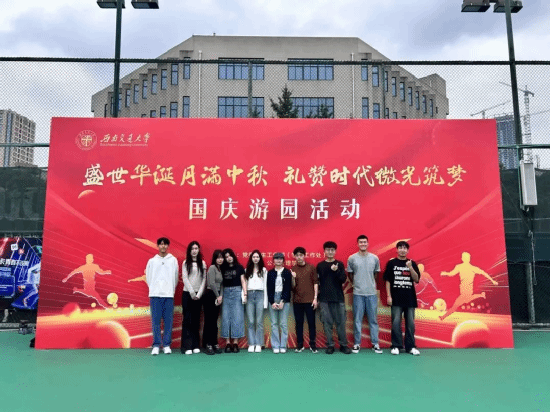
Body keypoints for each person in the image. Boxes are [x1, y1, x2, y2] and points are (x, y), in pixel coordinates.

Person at [384, 241, 421, 356]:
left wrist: (410, 268)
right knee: (396, 323)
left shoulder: (412, 263)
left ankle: (411, 347)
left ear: (408, 250)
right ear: (397, 249)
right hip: (396, 299)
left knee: (410, 324)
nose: (402, 250)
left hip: (410, 299)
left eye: (405, 248)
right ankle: (396, 346)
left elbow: (416, 279)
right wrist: (389, 296)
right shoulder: (391, 263)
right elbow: (388, 280)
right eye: (400, 248)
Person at [347, 235, 382, 354]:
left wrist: (370, 285)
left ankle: (375, 344)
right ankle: (357, 344)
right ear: (357, 244)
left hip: (372, 294)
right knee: (357, 320)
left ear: (368, 243)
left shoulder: (374, 258)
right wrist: (356, 285)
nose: (363, 244)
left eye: (365, 242)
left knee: (373, 320)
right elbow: (350, 274)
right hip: (358, 293)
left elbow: (376, 274)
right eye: (361, 242)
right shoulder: (352, 258)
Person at [439, 252, 498, 321]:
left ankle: (443, 317)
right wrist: (492, 280)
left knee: (456, 306)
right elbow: (483, 273)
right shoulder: (466, 267)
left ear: (463, 258)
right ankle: (481, 295)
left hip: (466, 291)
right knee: (466, 300)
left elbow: (451, 274)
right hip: (466, 291)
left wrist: (445, 273)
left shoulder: (463, 267)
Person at [145, 237, 179, 356]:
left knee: (168, 321)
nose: (163, 246)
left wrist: (170, 290)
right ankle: (156, 345)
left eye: (165, 244)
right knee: (156, 321)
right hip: (155, 295)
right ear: (158, 246)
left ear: (168, 246)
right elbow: (148, 277)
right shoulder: (152, 261)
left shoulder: (173, 260)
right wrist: (154, 289)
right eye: (161, 244)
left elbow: (175, 277)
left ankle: (166, 345)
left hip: (168, 295)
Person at [317, 241, 352, 355]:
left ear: (335, 251)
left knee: (341, 323)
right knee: (327, 323)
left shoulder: (339, 264)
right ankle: (330, 345)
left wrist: (336, 270)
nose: (330, 252)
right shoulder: (320, 266)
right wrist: (317, 298)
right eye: (328, 250)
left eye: (332, 250)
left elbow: (343, 280)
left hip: (338, 298)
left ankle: (343, 345)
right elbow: (317, 283)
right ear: (324, 251)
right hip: (324, 299)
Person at [181, 241, 207, 355]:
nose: (194, 251)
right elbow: (185, 278)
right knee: (187, 320)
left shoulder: (203, 263)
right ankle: (187, 346)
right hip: (187, 294)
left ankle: (195, 345)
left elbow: (204, 279)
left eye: (196, 248)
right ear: (189, 251)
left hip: (198, 295)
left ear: (199, 250)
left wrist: (199, 293)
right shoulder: (185, 262)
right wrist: (192, 292)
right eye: (192, 249)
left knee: (196, 320)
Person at [291, 247, 319, 354]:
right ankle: (300, 345)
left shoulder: (311, 268)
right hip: (297, 301)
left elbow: (315, 283)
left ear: (304, 256)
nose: (299, 257)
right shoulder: (293, 269)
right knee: (299, 323)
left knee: (312, 323)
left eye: (301, 255)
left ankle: (312, 344)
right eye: (297, 255)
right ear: (294, 256)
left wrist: (315, 298)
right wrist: (293, 278)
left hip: (310, 301)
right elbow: (292, 287)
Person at [220, 248, 246, 353]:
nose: (228, 258)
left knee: (237, 317)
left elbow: (243, 281)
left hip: (237, 292)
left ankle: (235, 343)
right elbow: (221, 283)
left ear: (233, 256)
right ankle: (227, 343)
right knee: (226, 317)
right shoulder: (222, 268)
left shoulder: (239, 267)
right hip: (225, 292)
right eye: (226, 257)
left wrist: (245, 293)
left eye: (230, 255)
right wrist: (220, 295)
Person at [266, 252, 292, 354]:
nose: (278, 260)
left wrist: (282, 301)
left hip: (284, 299)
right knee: (274, 323)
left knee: (283, 324)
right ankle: (275, 345)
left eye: (280, 259)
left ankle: (283, 346)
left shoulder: (287, 272)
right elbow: (269, 288)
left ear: (283, 261)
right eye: (276, 258)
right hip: (273, 297)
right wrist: (272, 302)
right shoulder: (270, 273)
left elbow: (288, 288)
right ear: (273, 261)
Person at [245, 250, 268, 353]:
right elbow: (245, 284)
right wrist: (244, 297)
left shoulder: (263, 270)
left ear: (260, 258)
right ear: (251, 258)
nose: (255, 259)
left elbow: (265, 286)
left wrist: (265, 301)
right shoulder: (247, 270)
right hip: (249, 295)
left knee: (259, 322)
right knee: (250, 321)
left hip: (260, 294)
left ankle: (259, 343)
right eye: (254, 257)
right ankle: (251, 344)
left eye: (257, 257)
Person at [203, 250, 225, 356]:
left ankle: (214, 343)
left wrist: (220, 296)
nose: (220, 259)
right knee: (209, 321)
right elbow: (211, 283)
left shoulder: (221, 269)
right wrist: (217, 296)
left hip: (218, 296)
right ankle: (208, 344)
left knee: (214, 322)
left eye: (222, 257)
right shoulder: (212, 268)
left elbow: (222, 284)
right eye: (218, 257)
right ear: (215, 259)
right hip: (210, 295)